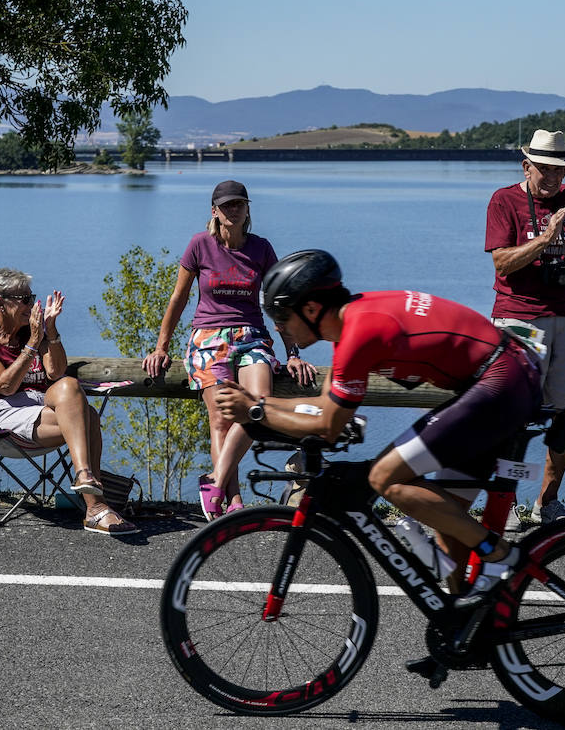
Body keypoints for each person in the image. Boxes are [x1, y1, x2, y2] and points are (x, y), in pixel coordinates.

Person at [214, 249, 542, 598]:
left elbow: (328, 426)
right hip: (499, 377)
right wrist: (260, 405)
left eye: (282, 316)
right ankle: (470, 627)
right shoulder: (351, 323)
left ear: (310, 309)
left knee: (384, 477)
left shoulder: (360, 333)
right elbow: (325, 407)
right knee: (449, 522)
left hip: (499, 381)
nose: (278, 326)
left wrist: (256, 409)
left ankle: (502, 556)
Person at [142, 180, 317, 519]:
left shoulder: (262, 249)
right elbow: (178, 298)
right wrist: (161, 346)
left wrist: (293, 353)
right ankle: (233, 500)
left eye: (239, 204)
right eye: (226, 205)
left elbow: (278, 303)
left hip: (252, 336)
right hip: (208, 338)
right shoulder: (199, 245)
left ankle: (215, 482)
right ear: (214, 211)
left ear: (248, 208)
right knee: (221, 417)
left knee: (258, 406)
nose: (233, 210)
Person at [484, 129, 565, 525]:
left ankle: (547, 502)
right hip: (519, 317)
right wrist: (546, 238)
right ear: (526, 166)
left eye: (559, 169)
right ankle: (503, 505)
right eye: (545, 169)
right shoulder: (503, 200)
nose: (553, 178)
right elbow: (502, 263)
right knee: (511, 417)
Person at [0, 267, 137, 535]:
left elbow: (55, 372)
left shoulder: (31, 332)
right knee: (87, 417)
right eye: (23, 299)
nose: (31, 305)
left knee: (68, 384)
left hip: (39, 404)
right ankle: (95, 505)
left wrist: (50, 332)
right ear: (0, 303)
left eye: (31, 298)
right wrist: (33, 342)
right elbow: (5, 385)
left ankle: (84, 479)